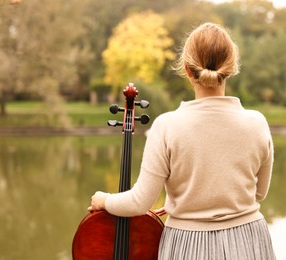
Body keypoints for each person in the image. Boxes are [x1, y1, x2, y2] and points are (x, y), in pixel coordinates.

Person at [88, 22, 276, 260]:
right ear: (231, 68)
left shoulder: (167, 126)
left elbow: (139, 202)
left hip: (188, 244)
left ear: (187, 69)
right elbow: (259, 193)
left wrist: (104, 200)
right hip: (249, 240)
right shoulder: (257, 123)